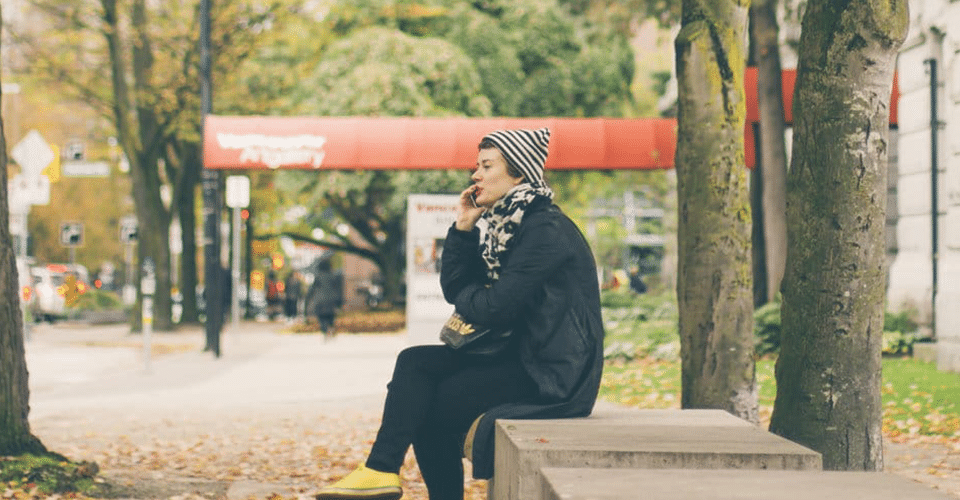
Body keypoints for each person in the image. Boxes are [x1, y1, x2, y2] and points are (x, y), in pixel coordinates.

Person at [315, 128, 605, 500]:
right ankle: (381, 469)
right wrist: (464, 228)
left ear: (518, 173)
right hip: (520, 355)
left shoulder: (545, 231)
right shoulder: (508, 225)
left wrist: (476, 296)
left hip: (552, 373)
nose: (476, 175)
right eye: (477, 166)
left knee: (429, 405)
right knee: (414, 362)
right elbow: (459, 291)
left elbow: (494, 308)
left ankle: (388, 472)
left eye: (487, 166)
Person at [306, 259, 344, 338]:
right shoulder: (333, 276)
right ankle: (331, 327)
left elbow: (312, 289)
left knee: (321, 316)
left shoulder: (318, 276)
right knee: (330, 315)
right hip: (331, 299)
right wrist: (339, 301)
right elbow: (338, 288)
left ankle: (325, 329)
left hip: (320, 300)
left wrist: (308, 298)